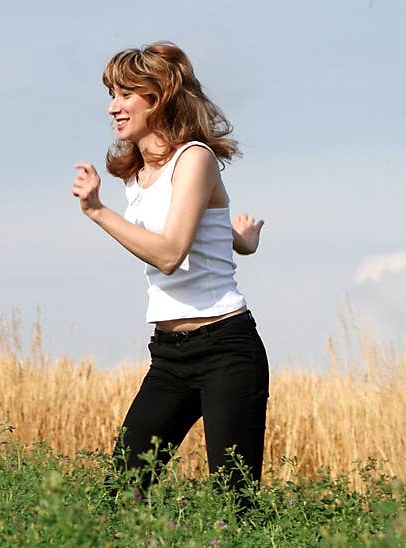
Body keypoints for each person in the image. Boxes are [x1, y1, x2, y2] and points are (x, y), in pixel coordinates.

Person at [71, 41, 269, 507]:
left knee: (235, 504)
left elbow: (171, 253)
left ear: (158, 97)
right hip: (169, 358)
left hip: (225, 349)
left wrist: (97, 212)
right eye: (112, 94)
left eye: (125, 95)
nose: (112, 107)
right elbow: (211, 233)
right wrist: (245, 242)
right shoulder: (132, 174)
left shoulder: (194, 158)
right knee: (121, 496)